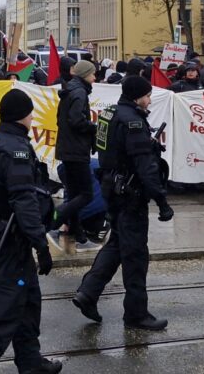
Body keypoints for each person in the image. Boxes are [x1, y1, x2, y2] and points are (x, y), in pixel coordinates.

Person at [0, 90, 61, 374]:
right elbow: (24, 201)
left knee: (28, 299)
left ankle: (30, 362)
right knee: (5, 312)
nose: (32, 117)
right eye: (30, 113)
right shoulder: (14, 149)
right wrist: (41, 245)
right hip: (11, 239)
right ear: (23, 115)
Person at [72, 76, 173, 330]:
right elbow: (145, 166)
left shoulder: (110, 113)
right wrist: (161, 200)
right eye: (147, 95)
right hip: (130, 195)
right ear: (137, 96)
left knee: (117, 244)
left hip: (112, 189)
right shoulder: (134, 122)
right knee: (136, 254)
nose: (149, 100)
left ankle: (88, 292)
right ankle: (136, 314)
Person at [49, 60, 100, 252]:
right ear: (85, 74)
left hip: (67, 149)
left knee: (74, 196)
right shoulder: (79, 93)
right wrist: (93, 127)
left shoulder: (70, 90)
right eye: (93, 74)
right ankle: (53, 223)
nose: (95, 78)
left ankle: (80, 238)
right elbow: (76, 120)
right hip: (76, 150)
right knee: (86, 195)